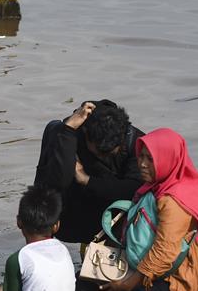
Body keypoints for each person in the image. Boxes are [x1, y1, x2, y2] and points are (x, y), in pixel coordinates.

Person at [97, 128, 198, 291]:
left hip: (174, 281)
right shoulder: (156, 187)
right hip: (147, 267)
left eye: (150, 159)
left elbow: (165, 251)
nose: (142, 164)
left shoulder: (174, 200)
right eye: (141, 157)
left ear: (168, 159)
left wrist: (127, 285)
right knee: (87, 286)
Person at [34, 100, 145, 244]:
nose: (103, 156)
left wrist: (87, 180)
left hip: (113, 221)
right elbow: (56, 183)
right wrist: (68, 130)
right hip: (73, 217)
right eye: (99, 152)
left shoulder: (136, 142)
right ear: (86, 133)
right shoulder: (66, 134)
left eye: (109, 153)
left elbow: (134, 189)